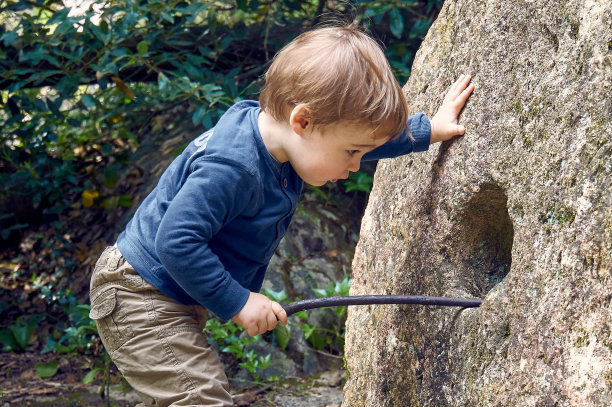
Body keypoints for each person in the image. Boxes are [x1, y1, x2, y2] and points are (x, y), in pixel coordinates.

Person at [89, 24, 474, 406]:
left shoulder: (285, 141)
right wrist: (238, 301)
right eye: (351, 153)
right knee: (200, 398)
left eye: (359, 153)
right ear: (302, 120)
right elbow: (175, 241)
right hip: (138, 293)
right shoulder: (234, 167)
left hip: (169, 291)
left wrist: (428, 130)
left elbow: (347, 139)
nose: (357, 165)